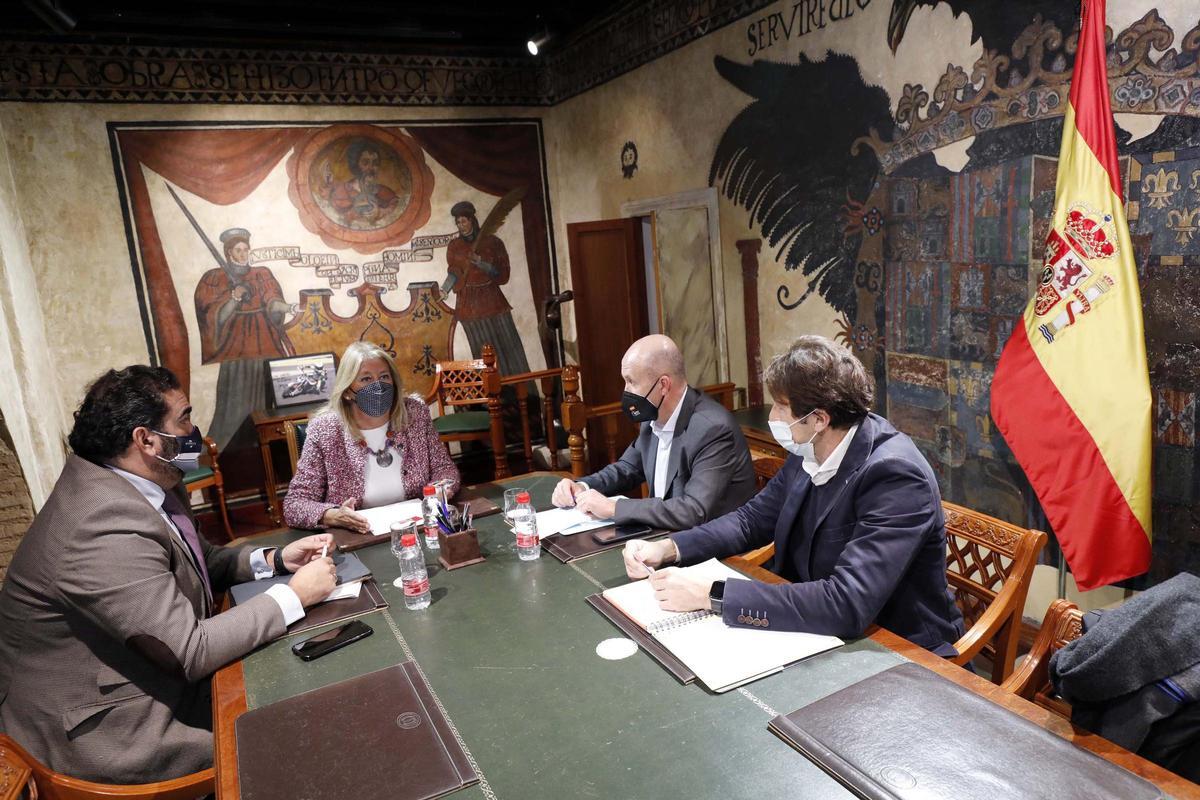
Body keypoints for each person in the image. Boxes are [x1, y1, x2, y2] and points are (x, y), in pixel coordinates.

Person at [0, 366, 337, 784]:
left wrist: (275, 560)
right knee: (300, 727)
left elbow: (197, 558)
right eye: (185, 418)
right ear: (146, 439)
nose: (194, 430)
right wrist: (294, 597)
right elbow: (188, 651)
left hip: (156, 675)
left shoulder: (151, 479)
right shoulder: (100, 522)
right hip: (114, 728)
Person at [622, 335, 964, 655]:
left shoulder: (896, 477)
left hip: (896, 648)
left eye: (781, 407)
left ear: (818, 419)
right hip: (814, 628)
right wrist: (669, 548)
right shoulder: (812, 448)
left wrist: (712, 594)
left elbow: (847, 603)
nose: (773, 417)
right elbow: (751, 520)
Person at [551, 334, 756, 531]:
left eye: (631, 381)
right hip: (665, 537)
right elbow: (627, 468)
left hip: (715, 551)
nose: (626, 391)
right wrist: (582, 487)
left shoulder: (713, 429)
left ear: (663, 385)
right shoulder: (653, 417)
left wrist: (614, 508)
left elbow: (693, 511)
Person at [284, 341, 460, 532]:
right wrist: (333, 515)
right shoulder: (325, 430)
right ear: (347, 391)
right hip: (358, 538)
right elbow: (295, 504)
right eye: (366, 379)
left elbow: (444, 469)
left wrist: (439, 491)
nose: (378, 386)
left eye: (384, 376)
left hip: (419, 529)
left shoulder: (414, 413)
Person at [442, 200, 531, 377]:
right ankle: (496, 396)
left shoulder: (493, 242)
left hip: (492, 301)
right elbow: (454, 272)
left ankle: (521, 392)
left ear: (472, 220)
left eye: (464, 221)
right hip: (469, 306)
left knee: (508, 348)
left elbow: (503, 274)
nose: (461, 225)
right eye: (458, 222)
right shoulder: (454, 247)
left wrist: (481, 263)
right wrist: (445, 289)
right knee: (482, 353)